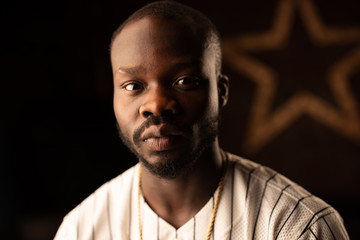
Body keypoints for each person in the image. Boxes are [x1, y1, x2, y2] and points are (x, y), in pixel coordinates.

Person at [54, 1, 349, 239]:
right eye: (133, 86)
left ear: (221, 91)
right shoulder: (81, 229)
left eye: (184, 81)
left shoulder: (297, 226)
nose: (156, 105)